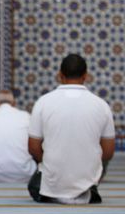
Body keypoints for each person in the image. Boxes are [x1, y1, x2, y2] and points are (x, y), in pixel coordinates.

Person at [28, 54, 116, 204]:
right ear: (85, 76)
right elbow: (108, 152)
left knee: (34, 182)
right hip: (88, 183)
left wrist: (49, 162)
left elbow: (33, 148)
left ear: (60, 75)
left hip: (51, 182)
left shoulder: (43, 102)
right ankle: (88, 186)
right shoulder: (101, 105)